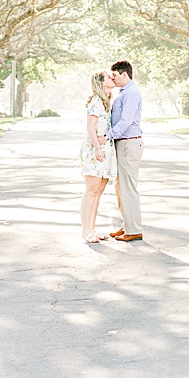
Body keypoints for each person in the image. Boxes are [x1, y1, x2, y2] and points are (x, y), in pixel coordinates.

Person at [106, 60, 144, 242]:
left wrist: (108, 135)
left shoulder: (131, 93)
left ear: (124, 74)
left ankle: (134, 229)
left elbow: (126, 121)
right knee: (120, 185)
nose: (113, 79)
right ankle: (127, 223)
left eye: (114, 75)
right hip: (123, 143)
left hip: (129, 143)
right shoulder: (124, 92)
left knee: (128, 187)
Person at [79, 71, 117, 242]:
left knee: (99, 192)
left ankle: (92, 229)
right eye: (109, 77)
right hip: (95, 151)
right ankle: (86, 231)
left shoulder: (106, 102)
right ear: (101, 82)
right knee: (91, 191)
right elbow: (90, 127)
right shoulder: (96, 102)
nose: (113, 78)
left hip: (105, 151)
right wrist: (97, 148)